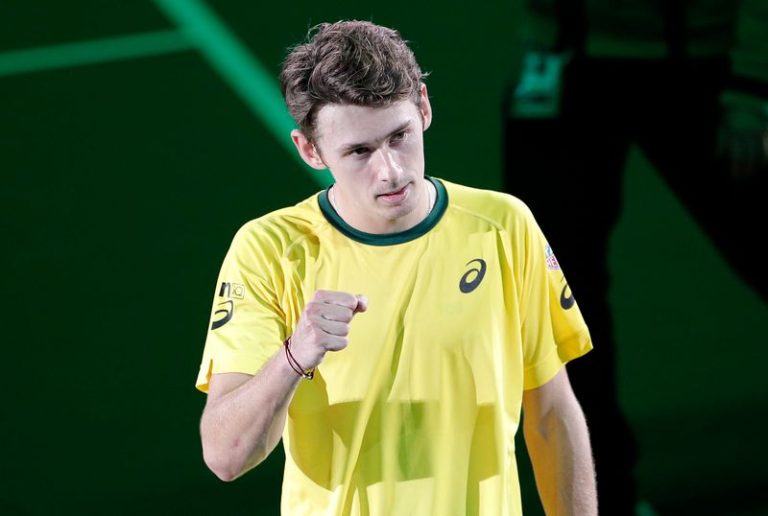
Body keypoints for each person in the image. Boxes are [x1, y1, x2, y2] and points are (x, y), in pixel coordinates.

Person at [196, 20, 597, 515]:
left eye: (399, 136)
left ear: (423, 106)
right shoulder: (269, 250)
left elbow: (551, 414)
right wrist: (294, 356)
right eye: (359, 151)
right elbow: (226, 456)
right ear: (309, 149)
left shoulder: (503, 227)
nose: (391, 171)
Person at [504, 1, 767, 514]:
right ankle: (602, 499)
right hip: (565, 61)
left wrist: (754, 83)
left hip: (709, 66)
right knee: (557, 296)